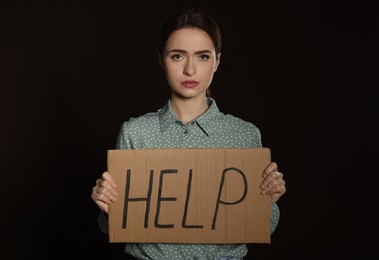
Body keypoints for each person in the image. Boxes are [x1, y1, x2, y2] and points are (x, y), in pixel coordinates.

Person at [91, 7, 286, 260]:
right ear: (161, 59)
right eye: (177, 56)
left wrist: (269, 200)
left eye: (203, 56)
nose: (190, 70)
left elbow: (264, 226)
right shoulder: (136, 132)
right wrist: (108, 207)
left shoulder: (244, 134)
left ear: (217, 61)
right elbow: (114, 226)